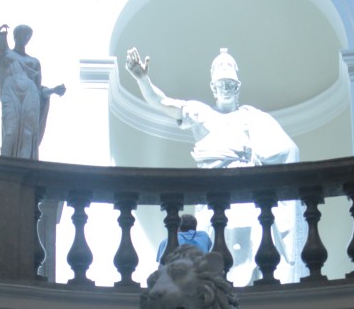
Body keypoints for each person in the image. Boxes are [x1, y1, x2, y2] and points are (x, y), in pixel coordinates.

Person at [125, 46, 300, 285]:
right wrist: (143, 79)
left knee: (254, 240)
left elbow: (288, 150)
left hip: (247, 196)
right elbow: (162, 103)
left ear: (238, 88)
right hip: (213, 197)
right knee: (213, 252)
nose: (225, 89)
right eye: (221, 84)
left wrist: (256, 157)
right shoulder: (201, 113)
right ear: (213, 88)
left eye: (230, 84)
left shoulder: (252, 118)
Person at [0, 24, 65, 160]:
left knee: (28, 134)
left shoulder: (34, 62)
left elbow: (39, 90)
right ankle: (5, 171)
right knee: (10, 131)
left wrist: (54, 90)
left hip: (31, 95)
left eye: (29, 36)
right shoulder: (4, 53)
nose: (26, 38)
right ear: (15, 36)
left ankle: (25, 170)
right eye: (24, 34)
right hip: (11, 92)